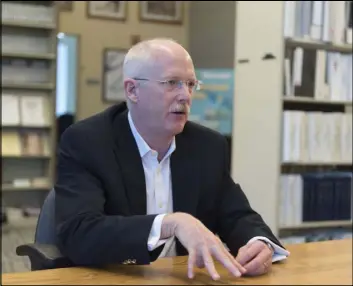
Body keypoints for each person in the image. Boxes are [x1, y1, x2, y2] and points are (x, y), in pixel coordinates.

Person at [55, 38, 289, 281]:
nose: (185, 96)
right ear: (132, 90)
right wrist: (169, 223)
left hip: (183, 278)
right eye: (172, 83)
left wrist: (258, 242)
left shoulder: (207, 146)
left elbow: (237, 215)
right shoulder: (88, 141)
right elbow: (78, 232)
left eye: (190, 84)